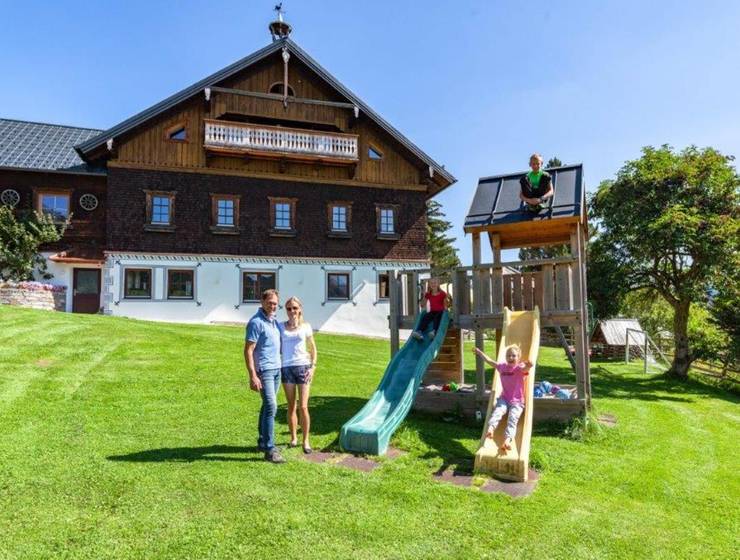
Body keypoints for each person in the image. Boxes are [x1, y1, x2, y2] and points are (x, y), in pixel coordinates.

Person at [245, 289, 285, 463]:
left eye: (275, 303)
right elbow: (248, 350)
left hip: (277, 369)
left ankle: (262, 441)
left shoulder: (274, 322)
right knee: (271, 406)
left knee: (267, 405)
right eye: (270, 302)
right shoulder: (256, 323)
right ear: (262, 302)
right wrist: (253, 375)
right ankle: (269, 449)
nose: (273, 306)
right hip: (264, 371)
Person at [473, 344, 533, 452]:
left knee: (512, 419)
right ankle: (490, 429)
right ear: (506, 357)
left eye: (514, 356)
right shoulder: (502, 367)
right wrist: (479, 353)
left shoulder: (519, 368)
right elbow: (490, 361)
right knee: (497, 412)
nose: (511, 358)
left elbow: (526, 368)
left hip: (517, 402)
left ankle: (508, 440)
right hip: (504, 399)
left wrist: (530, 365)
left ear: (518, 358)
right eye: (508, 356)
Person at [280, 296, 318, 454]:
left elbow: (313, 348)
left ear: (300, 309)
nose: (292, 311)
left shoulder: (306, 327)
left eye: (294, 308)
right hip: (287, 367)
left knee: (303, 406)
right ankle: (293, 437)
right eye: (289, 308)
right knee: (291, 406)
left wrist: (313, 367)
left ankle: (306, 440)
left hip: (303, 367)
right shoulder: (280, 326)